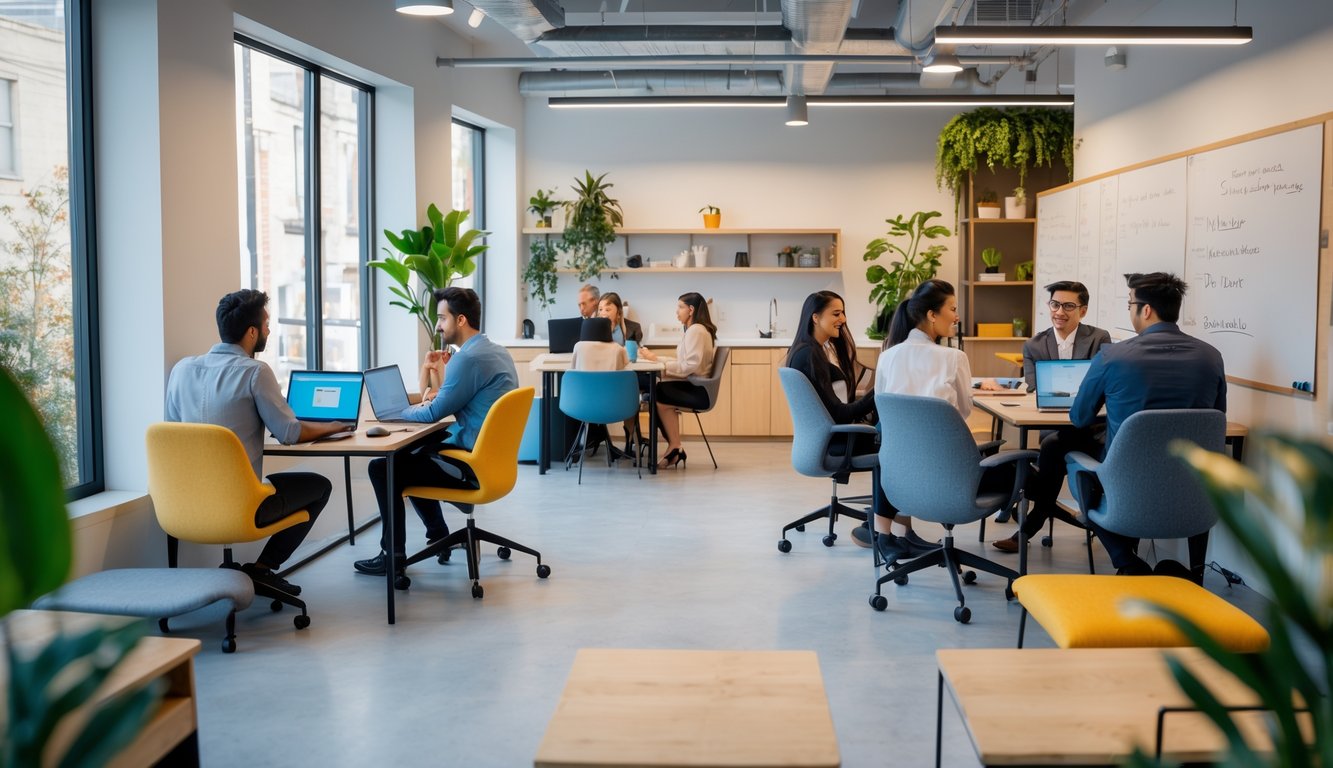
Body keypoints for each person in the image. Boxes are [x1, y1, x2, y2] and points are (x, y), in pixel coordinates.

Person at [165, 289, 346, 596]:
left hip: (182, 505)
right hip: (240, 507)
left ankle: (171, 592)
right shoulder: (255, 372)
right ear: (252, 332)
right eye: (266, 323)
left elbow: (171, 435)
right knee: (320, 485)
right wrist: (332, 426)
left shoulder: (181, 370)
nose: (268, 330)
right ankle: (262, 570)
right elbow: (290, 433)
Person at [1069, 271, 1226, 576]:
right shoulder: (1212, 357)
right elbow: (1217, 419)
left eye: (1130, 304)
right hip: (1193, 491)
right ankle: (1195, 574)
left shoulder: (1112, 356)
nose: (1130, 312)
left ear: (1146, 310)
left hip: (1126, 488)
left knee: (1068, 456)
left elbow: (1080, 418)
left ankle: (1128, 562)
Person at [353, 287, 518, 576]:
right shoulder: (494, 351)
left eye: (442, 319)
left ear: (461, 320)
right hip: (491, 460)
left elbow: (431, 412)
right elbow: (441, 399)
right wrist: (427, 375)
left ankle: (392, 555)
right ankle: (439, 534)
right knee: (410, 455)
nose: (439, 325)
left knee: (384, 467)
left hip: (471, 465)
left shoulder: (468, 359)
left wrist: (394, 414)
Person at [783, 292, 936, 560]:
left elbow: (838, 403)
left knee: (892, 434)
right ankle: (889, 533)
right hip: (837, 440)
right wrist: (878, 393)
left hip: (829, 437)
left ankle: (892, 530)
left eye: (843, 312)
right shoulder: (810, 354)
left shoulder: (814, 350)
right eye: (836, 313)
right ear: (815, 317)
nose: (843, 319)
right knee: (897, 444)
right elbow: (840, 414)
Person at [992, 280, 1112, 553]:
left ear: (1082, 310)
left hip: (1092, 427)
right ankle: (1034, 524)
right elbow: (1034, 387)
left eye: (1069, 306)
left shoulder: (1098, 339)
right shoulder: (1034, 345)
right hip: (1054, 424)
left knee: (1053, 449)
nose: (1060, 311)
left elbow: (1101, 386)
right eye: (1055, 304)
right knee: (1055, 445)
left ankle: (1027, 529)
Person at [872, 279, 985, 562]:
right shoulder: (954, 358)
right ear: (933, 315)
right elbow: (962, 411)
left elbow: (882, 405)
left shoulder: (887, 356)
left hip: (898, 470)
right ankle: (900, 533)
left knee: (886, 440)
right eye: (953, 308)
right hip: (946, 470)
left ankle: (888, 534)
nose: (957, 316)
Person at [636, 292, 716, 469]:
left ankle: (674, 447)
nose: (676, 312)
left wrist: (657, 361)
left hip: (698, 391)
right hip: (694, 385)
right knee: (657, 392)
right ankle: (675, 447)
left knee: (658, 393)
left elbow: (689, 366)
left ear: (691, 309)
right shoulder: (695, 330)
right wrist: (657, 359)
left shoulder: (696, 330)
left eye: (680, 307)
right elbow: (684, 363)